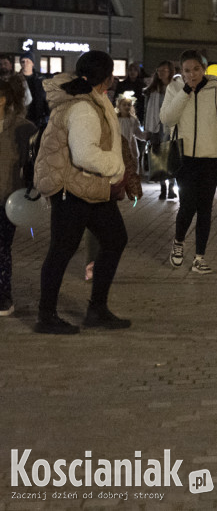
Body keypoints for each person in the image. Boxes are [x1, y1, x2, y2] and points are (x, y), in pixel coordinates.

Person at [33, 51, 129, 334]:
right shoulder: (83, 107)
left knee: (115, 238)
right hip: (72, 188)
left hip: (89, 186)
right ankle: (46, 316)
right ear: (107, 78)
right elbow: (85, 154)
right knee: (62, 250)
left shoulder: (92, 98)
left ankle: (97, 309)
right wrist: (116, 168)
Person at [160, 50, 217, 275]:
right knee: (187, 205)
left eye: (196, 69)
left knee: (205, 207)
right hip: (184, 156)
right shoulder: (175, 88)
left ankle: (199, 257)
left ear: (203, 69)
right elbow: (167, 118)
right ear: (181, 71)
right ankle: (178, 242)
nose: (192, 74)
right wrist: (185, 92)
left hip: (211, 157)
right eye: (187, 70)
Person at [0, 78, 37, 316]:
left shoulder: (23, 129)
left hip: (6, 199)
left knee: (2, 248)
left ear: (2, 100)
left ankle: (3, 296)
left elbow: (32, 165)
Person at [143, 61, 177, 200]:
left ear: (170, 72)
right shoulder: (152, 90)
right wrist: (147, 129)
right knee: (158, 159)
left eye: (164, 70)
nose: (161, 73)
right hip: (156, 127)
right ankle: (163, 187)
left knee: (171, 159)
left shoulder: (175, 88)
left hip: (170, 127)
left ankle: (171, 187)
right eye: (159, 70)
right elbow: (147, 110)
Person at [19, 56, 48, 125]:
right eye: (23, 61)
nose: (25, 63)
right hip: (22, 116)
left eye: (27, 61)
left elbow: (46, 97)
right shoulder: (16, 80)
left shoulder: (41, 79)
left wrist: (47, 114)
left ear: (32, 63)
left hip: (38, 116)